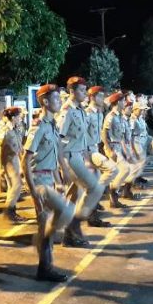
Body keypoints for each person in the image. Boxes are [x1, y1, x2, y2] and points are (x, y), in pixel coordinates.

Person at [22, 84, 74, 282]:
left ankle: (45, 268)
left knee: (46, 226)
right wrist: (33, 191)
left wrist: (60, 179)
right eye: (56, 99)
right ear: (45, 101)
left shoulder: (52, 125)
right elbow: (25, 160)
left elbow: (54, 156)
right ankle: (43, 251)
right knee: (66, 211)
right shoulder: (38, 127)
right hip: (39, 180)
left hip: (49, 178)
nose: (60, 101)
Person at [57, 76, 105, 247]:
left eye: (85, 90)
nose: (85, 93)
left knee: (73, 196)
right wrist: (63, 167)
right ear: (72, 91)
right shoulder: (67, 111)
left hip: (79, 155)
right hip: (69, 157)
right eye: (82, 90)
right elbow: (58, 140)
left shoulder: (80, 110)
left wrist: (87, 158)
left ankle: (68, 236)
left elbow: (82, 138)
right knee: (95, 187)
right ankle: (74, 225)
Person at [85, 86, 117, 227]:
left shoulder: (99, 113)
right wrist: (86, 158)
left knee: (95, 184)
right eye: (99, 96)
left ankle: (91, 214)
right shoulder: (87, 114)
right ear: (92, 97)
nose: (102, 99)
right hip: (87, 152)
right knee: (110, 171)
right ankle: (89, 215)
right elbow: (82, 137)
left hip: (95, 149)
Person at [0, 107, 28, 224]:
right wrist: (1, 167)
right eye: (19, 116)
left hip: (15, 159)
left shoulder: (16, 129)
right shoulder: (5, 131)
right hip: (8, 161)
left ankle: (12, 211)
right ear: (13, 117)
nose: (21, 118)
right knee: (16, 185)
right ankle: (9, 211)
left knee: (13, 187)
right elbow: (1, 149)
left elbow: (19, 147)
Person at [101, 91, 131, 209]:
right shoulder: (111, 116)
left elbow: (122, 136)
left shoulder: (120, 116)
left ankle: (114, 198)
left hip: (118, 146)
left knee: (119, 172)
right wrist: (109, 150)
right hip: (112, 147)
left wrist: (125, 150)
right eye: (123, 101)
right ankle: (113, 192)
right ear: (118, 102)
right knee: (124, 169)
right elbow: (104, 134)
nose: (125, 103)